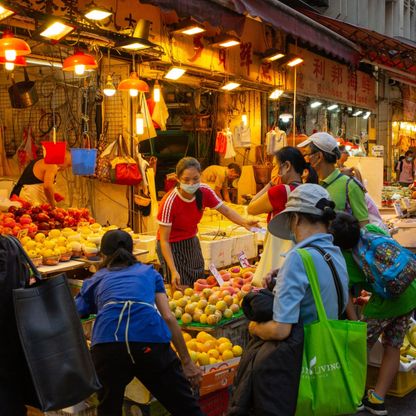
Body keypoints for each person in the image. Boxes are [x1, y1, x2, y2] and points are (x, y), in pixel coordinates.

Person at [75, 230, 204, 416]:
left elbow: (75, 312)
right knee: (186, 409)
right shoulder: (149, 273)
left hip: (107, 348)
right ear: (132, 251)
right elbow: (168, 317)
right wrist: (187, 363)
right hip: (149, 343)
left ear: (102, 255)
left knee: (108, 410)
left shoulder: (94, 280)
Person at [329, 213, 416, 415]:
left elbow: (347, 295)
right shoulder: (372, 231)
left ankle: (354, 395)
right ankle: (377, 399)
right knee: (393, 346)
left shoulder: (347, 258)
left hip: (386, 304)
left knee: (357, 347)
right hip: (410, 292)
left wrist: (357, 325)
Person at [249, 183, 349, 338]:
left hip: (304, 354)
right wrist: (284, 275)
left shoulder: (297, 259)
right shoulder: (335, 252)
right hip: (328, 343)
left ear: (295, 219)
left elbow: (280, 330)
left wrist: (254, 328)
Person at [157, 157, 257, 289]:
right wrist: (173, 270)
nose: (191, 183)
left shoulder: (205, 191)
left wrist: (244, 222)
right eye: (186, 180)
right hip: (171, 246)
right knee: (180, 285)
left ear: (201, 176)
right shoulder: (169, 202)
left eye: (196, 179)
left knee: (198, 280)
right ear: (177, 179)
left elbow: (225, 210)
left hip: (191, 241)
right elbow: (164, 240)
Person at [247, 147, 317, 286]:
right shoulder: (307, 191)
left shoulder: (281, 191)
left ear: (287, 166)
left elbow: (251, 208)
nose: (274, 170)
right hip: (299, 253)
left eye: (275, 166)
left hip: (279, 254)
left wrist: (271, 183)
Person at [298, 132, 369, 227]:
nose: (306, 159)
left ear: (319, 156)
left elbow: (364, 226)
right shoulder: (314, 184)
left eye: (307, 154)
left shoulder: (350, 185)